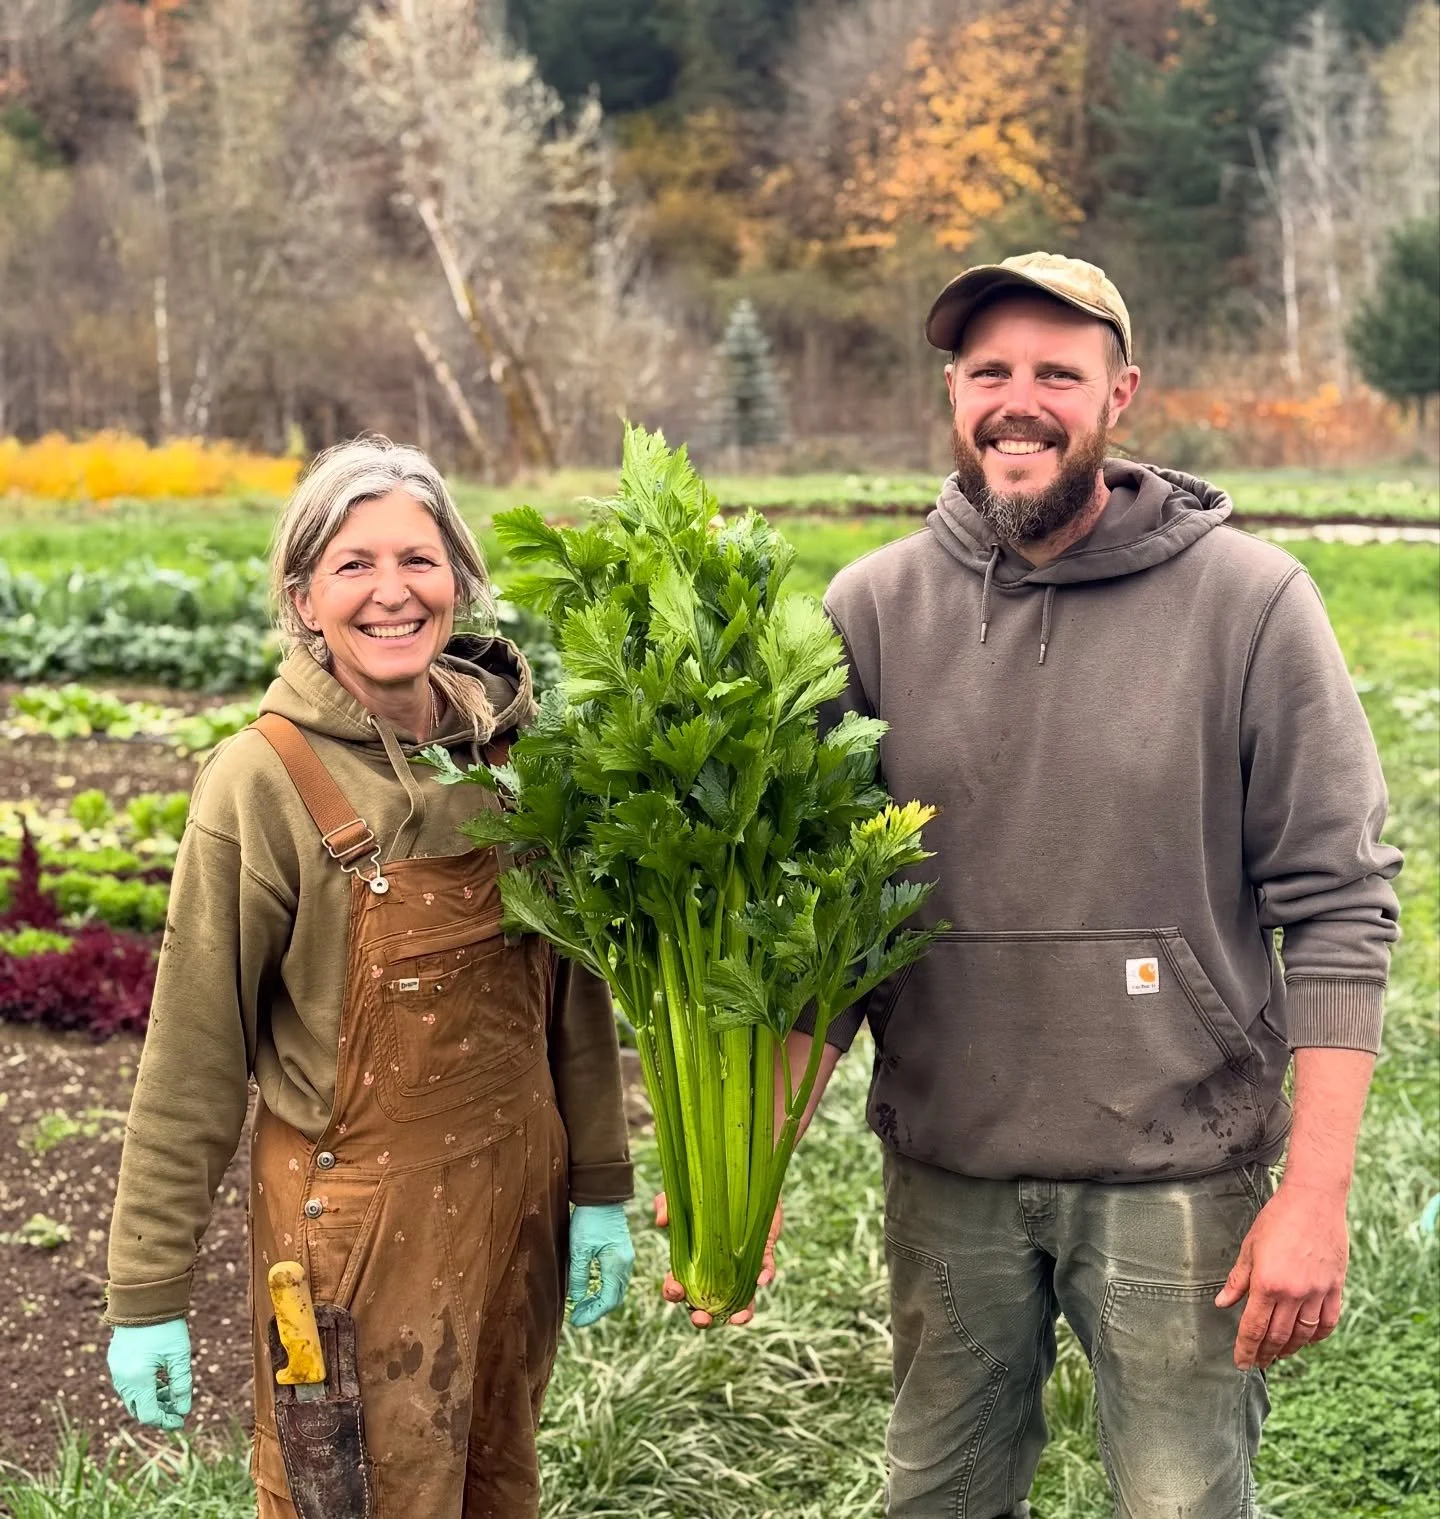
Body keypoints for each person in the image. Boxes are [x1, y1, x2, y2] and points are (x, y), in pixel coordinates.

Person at [778, 252, 1403, 1517]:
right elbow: (821, 933)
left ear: (1120, 393)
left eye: (1056, 373)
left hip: (1180, 1172)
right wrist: (747, 1166)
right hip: (951, 1168)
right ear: (955, 393)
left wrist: (1316, 1197)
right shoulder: (873, 611)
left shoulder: (1253, 604)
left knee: (1183, 1503)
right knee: (937, 1497)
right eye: (989, 371)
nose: (1020, 400)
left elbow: (1339, 904)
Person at [104, 438, 636, 1518]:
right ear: (303, 597)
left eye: (419, 559)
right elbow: (193, 1054)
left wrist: (601, 1187)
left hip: (514, 1200)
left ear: (460, 578)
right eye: (353, 565)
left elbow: (572, 994)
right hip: (353, 1237)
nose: (391, 592)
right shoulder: (262, 779)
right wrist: (147, 1290)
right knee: (347, 1498)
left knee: (496, 1470)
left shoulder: (516, 752)